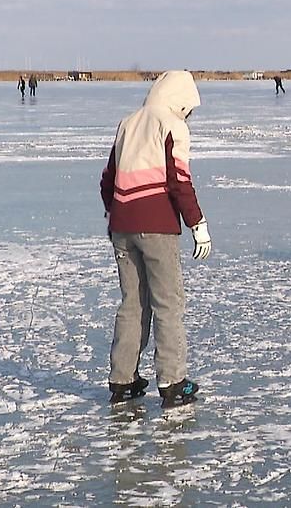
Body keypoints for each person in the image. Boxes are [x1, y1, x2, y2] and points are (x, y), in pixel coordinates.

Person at [99, 70, 210, 409]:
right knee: (168, 303)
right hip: (157, 226)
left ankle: (123, 380)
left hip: (122, 227)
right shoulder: (172, 126)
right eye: (188, 108)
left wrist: (113, 213)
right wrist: (197, 223)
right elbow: (178, 181)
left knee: (131, 304)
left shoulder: (128, 122)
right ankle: (173, 381)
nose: (188, 115)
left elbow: (108, 179)